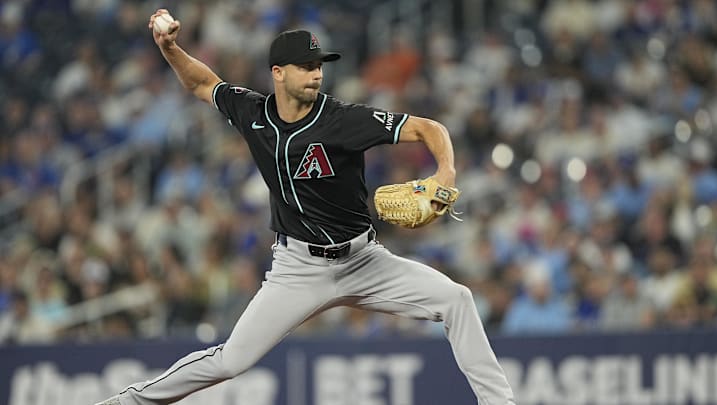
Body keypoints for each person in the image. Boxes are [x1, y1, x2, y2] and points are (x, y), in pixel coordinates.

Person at [94, 9, 515, 405]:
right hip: (299, 269)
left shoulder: (342, 119)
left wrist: (446, 173)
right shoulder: (253, 113)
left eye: (319, 66)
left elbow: (428, 127)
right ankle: (128, 401)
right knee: (231, 360)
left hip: (365, 260)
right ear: (278, 73)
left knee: (456, 299)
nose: (316, 74)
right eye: (306, 66)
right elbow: (202, 83)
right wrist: (169, 48)